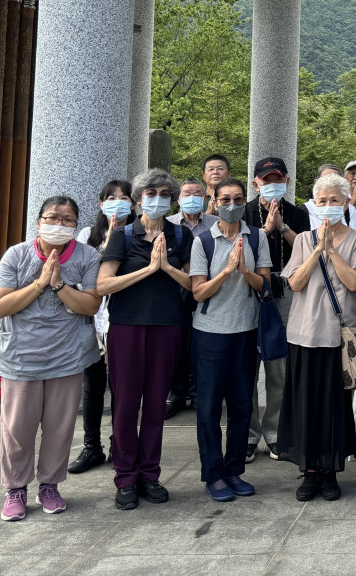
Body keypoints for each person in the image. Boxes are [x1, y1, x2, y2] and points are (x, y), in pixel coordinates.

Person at [0, 195, 101, 521]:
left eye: (68, 219)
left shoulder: (87, 256)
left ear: (76, 225)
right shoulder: (17, 255)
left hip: (67, 356)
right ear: (38, 222)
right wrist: (40, 283)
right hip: (20, 357)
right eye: (53, 217)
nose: (60, 224)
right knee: (17, 428)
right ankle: (16, 489)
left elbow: (90, 305)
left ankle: (50, 486)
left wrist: (59, 285)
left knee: (59, 427)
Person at [97, 168, 193, 510]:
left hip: (167, 328)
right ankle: (125, 477)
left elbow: (194, 284)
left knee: (155, 406)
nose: (157, 199)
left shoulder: (181, 236)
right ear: (138, 200)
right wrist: (147, 270)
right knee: (125, 406)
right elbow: (103, 285)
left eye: (165, 194)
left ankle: (150, 474)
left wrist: (167, 267)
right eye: (150, 194)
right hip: (126, 328)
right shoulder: (122, 235)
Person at [278, 172, 356, 501]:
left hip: (340, 337)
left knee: (334, 406)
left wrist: (333, 251)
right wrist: (317, 250)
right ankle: (309, 470)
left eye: (335, 201)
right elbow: (296, 283)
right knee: (306, 405)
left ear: (345, 203)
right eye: (323, 201)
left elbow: (354, 283)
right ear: (315, 205)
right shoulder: (303, 239)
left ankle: (330, 471)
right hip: (303, 334)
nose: (329, 206)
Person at [189, 177, 272, 502]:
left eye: (239, 199)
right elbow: (198, 292)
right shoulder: (203, 241)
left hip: (246, 331)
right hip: (210, 335)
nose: (233, 205)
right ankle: (213, 473)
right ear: (215, 200)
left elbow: (264, 285)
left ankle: (234, 469)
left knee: (241, 406)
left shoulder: (257, 237)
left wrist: (244, 271)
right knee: (208, 409)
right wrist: (225, 271)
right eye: (226, 199)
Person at [245, 157, 311, 462]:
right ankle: (247, 434)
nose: (272, 185)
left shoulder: (298, 213)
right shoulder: (243, 210)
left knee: (278, 368)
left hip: (284, 295)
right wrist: (263, 230)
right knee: (246, 368)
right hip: (247, 292)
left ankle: (273, 432)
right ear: (256, 182)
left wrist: (281, 227)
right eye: (266, 180)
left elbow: (307, 250)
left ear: (286, 182)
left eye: (278, 180)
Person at [69, 179, 132, 475]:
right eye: (111, 197)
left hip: (123, 318)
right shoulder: (87, 235)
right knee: (92, 385)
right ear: (101, 203)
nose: (117, 202)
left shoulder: (136, 234)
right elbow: (85, 272)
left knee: (121, 386)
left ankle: (119, 443)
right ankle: (91, 446)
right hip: (93, 320)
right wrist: (109, 238)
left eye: (123, 197)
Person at [164, 177, 217, 419]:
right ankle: (176, 393)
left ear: (205, 197)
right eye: (187, 193)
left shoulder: (215, 224)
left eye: (198, 193)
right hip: (176, 291)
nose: (192, 197)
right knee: (178, 343)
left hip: (209, 289)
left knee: (201, 344)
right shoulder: (169, 224)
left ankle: (198, 392)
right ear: (178, 198)